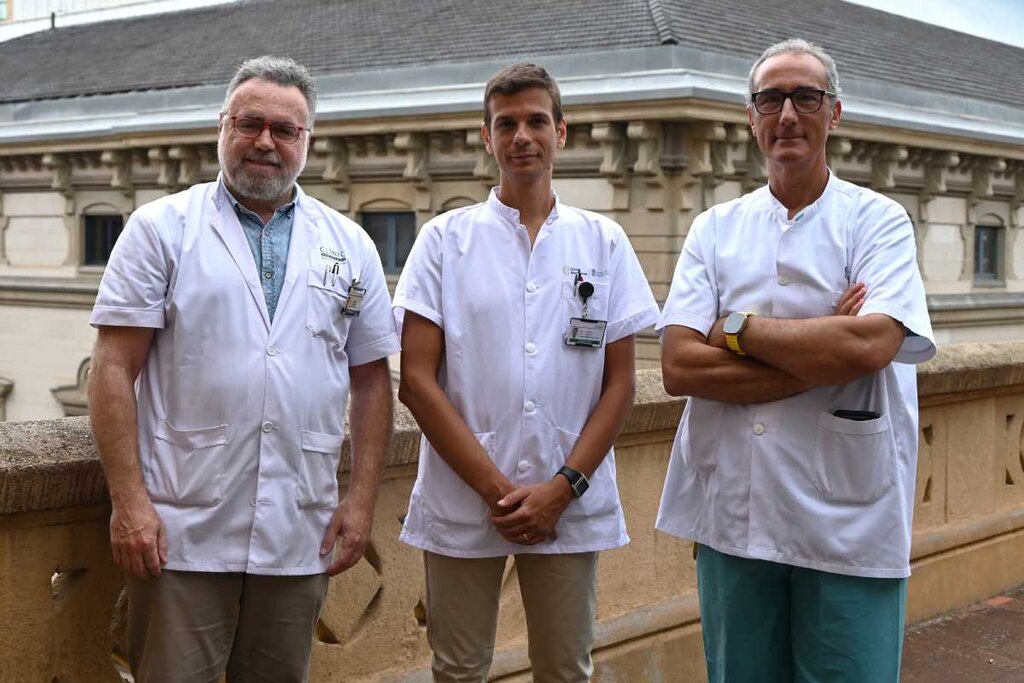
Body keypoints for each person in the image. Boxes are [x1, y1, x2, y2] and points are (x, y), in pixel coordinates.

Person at [87, 55, 399, 682]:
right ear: (222, 126)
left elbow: (371, 382)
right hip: (180, 528)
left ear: (306, 142)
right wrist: (130, 503)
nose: (266, 141)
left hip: (299, 526)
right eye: (249, 123)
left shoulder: (350, 243)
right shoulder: (160, 229)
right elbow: (112, 368)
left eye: (285, 130)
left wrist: (361, 500)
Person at [656, 39, 936, 682]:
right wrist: (823, 344)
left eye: (805, 97)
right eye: (770, 99)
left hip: (849, 517)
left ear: (833, 112)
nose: (787, 114)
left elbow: (871, 347)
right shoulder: (715, 228)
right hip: (734, 509)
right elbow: (678, 367)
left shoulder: (879, 222)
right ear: (750, 116)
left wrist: (734, 328)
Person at [393, 62, 659, 682]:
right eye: (505, 123)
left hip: (569, 498)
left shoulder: (605, 242)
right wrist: (497, 491)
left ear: (561, 132)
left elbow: (621, 383)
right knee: (458, 669)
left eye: (537, 121)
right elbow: (416, 382)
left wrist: (561, 488)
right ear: (487, 138)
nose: (522, 136)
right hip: (465, 496)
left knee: (566, 668)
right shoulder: (443, 241)